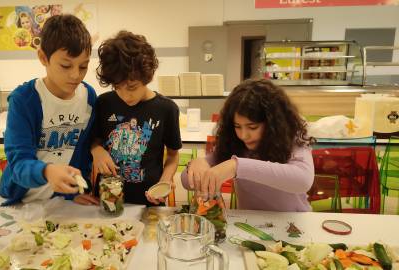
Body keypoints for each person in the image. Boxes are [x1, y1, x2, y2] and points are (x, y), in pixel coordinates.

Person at [0, 14, 99, 206]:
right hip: (23, 201)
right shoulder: (24, 101)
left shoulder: (88, 97)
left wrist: (74, 192)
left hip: (61, 202)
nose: (75, 75)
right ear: (43, 57)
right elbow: (18, 162)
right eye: (65, 65)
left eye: (83, 66)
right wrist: (46, 171)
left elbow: (83, 152)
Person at [182, 79, 314, 211]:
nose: (243, 135)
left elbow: (303, 181)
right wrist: (197, 164)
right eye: (237, 126)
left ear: (273, 124)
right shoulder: (234, 142)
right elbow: (186, 182)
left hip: (294, 222)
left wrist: (236, 166)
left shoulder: (292, 137)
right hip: (250, 224)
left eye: (252, 127)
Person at [92, 31, 182, 206]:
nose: (126, 95)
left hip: (149, 200)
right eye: (117, 86)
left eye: (132, 87)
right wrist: (96, 150)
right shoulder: (104, 103)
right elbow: (94, 140)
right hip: (107, 197)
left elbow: (172, 155)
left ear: (148, 77)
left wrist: (165, 179)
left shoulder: (166, 109)